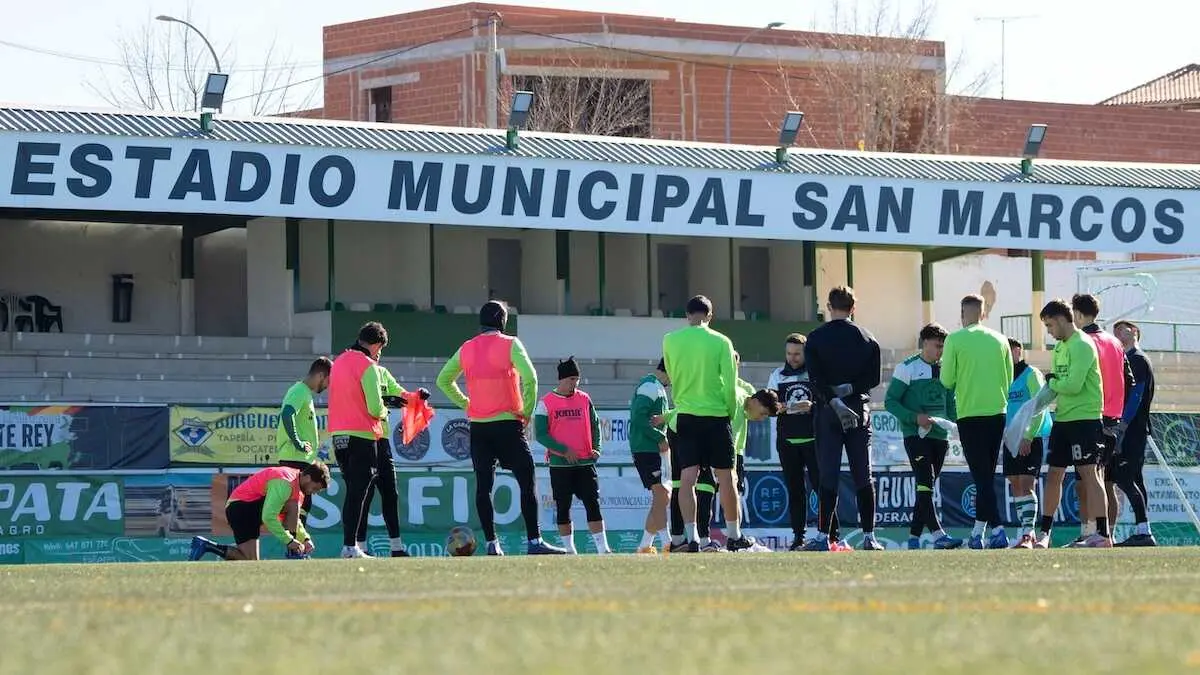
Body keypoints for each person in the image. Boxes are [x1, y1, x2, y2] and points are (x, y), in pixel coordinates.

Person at [437, 300, 566, 556]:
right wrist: (526, 412)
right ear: (502, 321)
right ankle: (534, 541)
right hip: (508, 424)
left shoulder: (467, 348)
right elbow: (530, 378)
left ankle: (492, 544)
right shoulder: (511, 344)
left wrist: (467, 404)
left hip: (479, 428)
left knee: (484, 486)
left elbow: (443, 380)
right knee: (527, 480)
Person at [661, 295, 757, 552]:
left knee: (687, 477)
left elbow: (671, 374)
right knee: (726, 477)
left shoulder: (670, 340)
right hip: (716, 415)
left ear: (687, 314)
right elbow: (730, 382)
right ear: (710, 316)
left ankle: (692, 538)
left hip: (686, 415)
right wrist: (728, 411)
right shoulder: (722, 341)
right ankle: (734, 535)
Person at [802, 286, 883, 552]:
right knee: (863, 474)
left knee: (828, 475)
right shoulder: (868, 338)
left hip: (828, 411)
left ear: (829, 306)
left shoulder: (815, 337)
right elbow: (873, 380)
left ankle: (823, 536)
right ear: (853, 308)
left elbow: (814, 379)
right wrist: (849, 389)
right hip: (858, 409)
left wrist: (833, 397)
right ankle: (870, 537)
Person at [940, 294, 1013, 550]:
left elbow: (946, 380)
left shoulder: (955, 339)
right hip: (998, 412)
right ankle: (977, 533)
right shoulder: (1001, 339)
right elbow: (1009, 378)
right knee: (985, 476)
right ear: (984, 313)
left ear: (962, 313)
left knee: (981, 477)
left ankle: (999, 528)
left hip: (970, 414)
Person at [1037, 299, 1110, 548]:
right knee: (1054, 474)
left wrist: (1052, 383)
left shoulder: (1082, 344)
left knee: (1091, 474)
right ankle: (1044, 534)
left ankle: (1102, 533)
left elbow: (1071, 385)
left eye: (1049, 325)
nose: (1049, 331)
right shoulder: (1059, 348)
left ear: (1059, 320)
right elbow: (1058, 382)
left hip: (1085, 420)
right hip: (1064, 418)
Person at [884, 323, 963, 550]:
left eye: (943, 347)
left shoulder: (946, 368)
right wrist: (914, 417)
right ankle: (939, 536)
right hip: (916, 435)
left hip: (940, 437)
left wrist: (958, 425)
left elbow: (950, 403)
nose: (941, 351)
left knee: (925, 487)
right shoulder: (906, 368)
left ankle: (913, 538)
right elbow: (890, 402)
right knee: (925, 483)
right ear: (925, 343)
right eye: (938, 346)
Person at [1069, 294, 1133, 547]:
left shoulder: (1084, 341)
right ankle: (1106, 534)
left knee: (1088, 479)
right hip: (1113, 417)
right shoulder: (1114, 342)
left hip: (1090, 414)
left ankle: (1093, 534)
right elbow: (1129, 380)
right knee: (1104, 479)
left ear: (1077, 314)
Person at [534, 357, 609, 555]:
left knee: (593, 503)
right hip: (560, 465)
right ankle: (569, 550)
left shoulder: (584, 398)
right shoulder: (546, 402)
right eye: (571, 379)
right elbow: (541, 434)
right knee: (563, 507)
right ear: (561, 379)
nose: (574, 384)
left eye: (577, 379)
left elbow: (595, 425)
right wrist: (564, 451)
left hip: (585, 463)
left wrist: (597, 448)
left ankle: (603, 549)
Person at [355, 364, 430, 558]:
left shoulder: (382, 372)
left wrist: (417, 395)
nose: (378, 354)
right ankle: (359, 546)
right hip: (363, 437)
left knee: (390, 493)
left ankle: (396, 546)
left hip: (383, 441)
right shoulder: (357, 372)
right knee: (365, 494)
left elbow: (401, 394)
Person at [328, 322, 390, 559]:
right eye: (380, 349)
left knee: (352, 492)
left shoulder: (340, 361)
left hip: (339, 436)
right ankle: (350, 547)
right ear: (375, 345)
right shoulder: (368, 365)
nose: (379, 354)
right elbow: (375, 408)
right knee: (359, 493)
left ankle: (349, 545)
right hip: (362, 435)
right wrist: (385, 411)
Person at [189, 462, 331, 561]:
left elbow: (294, 519)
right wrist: (289, 541)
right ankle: (293, 554)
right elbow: (269, 517)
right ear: (307, 477)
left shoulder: (297, 487)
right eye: (315, 488)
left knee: (250, 561)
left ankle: (207, 546)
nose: (313, 492)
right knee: (293, 506)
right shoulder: (285, 483)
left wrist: (305, 539)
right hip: (241, 508)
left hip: (242, 509)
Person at [766, 333, 824, 550]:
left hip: (814, 440)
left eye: (797, 354)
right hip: (787, 442)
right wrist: (793, 407)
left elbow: (823, 402)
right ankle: (798, 537)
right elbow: (771, 407)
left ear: (806, 353)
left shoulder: (815, 374)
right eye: (789, 353)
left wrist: (808, 406)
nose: (793, 358)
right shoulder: (777, 376)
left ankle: (829, 534)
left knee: (822, 488)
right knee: (795, 491)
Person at [1003, 338, 1052, 549]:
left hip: (1029, 437)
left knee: (1026, 483)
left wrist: (1029, 436)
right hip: (1010, 438)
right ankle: (1025, 532)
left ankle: (1028, 533)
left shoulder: (1031, 374)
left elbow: (1040, 406)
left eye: (1007, 351)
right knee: (1015, 483)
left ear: (1017, 351)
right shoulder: (1003, 377)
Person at [1112, 320, 1156, 547]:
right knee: (1133, 478)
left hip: (1132, 429)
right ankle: (1143, 530)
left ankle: (1144, 530)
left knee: (1125, 477)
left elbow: (1136, 394)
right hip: (1131, 428)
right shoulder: (1124, 359)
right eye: (1115, 329)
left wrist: (1123, 425)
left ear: (1136, 332)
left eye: (1124, 328)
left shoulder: (1137, 359)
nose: (1118, 331)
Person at [275, 357, 332, 528]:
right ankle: (295, 550)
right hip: (294, 458)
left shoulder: (304, 393)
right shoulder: (299, 391)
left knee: (301, 507)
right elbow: (287, 413)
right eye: (329, 380)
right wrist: (298, 441)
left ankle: (295, 548)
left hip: (300, 459)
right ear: (321, 375)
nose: (329, 386)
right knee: (297, 507)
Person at [628, 358, 673, 555]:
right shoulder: (649, 386)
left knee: (662, 497)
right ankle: (668, 543)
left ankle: (645, 545)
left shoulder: (656, 387)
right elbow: (638, 418)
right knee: (661, 494)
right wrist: (659, 436)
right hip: (646, 448)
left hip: (653, 448)